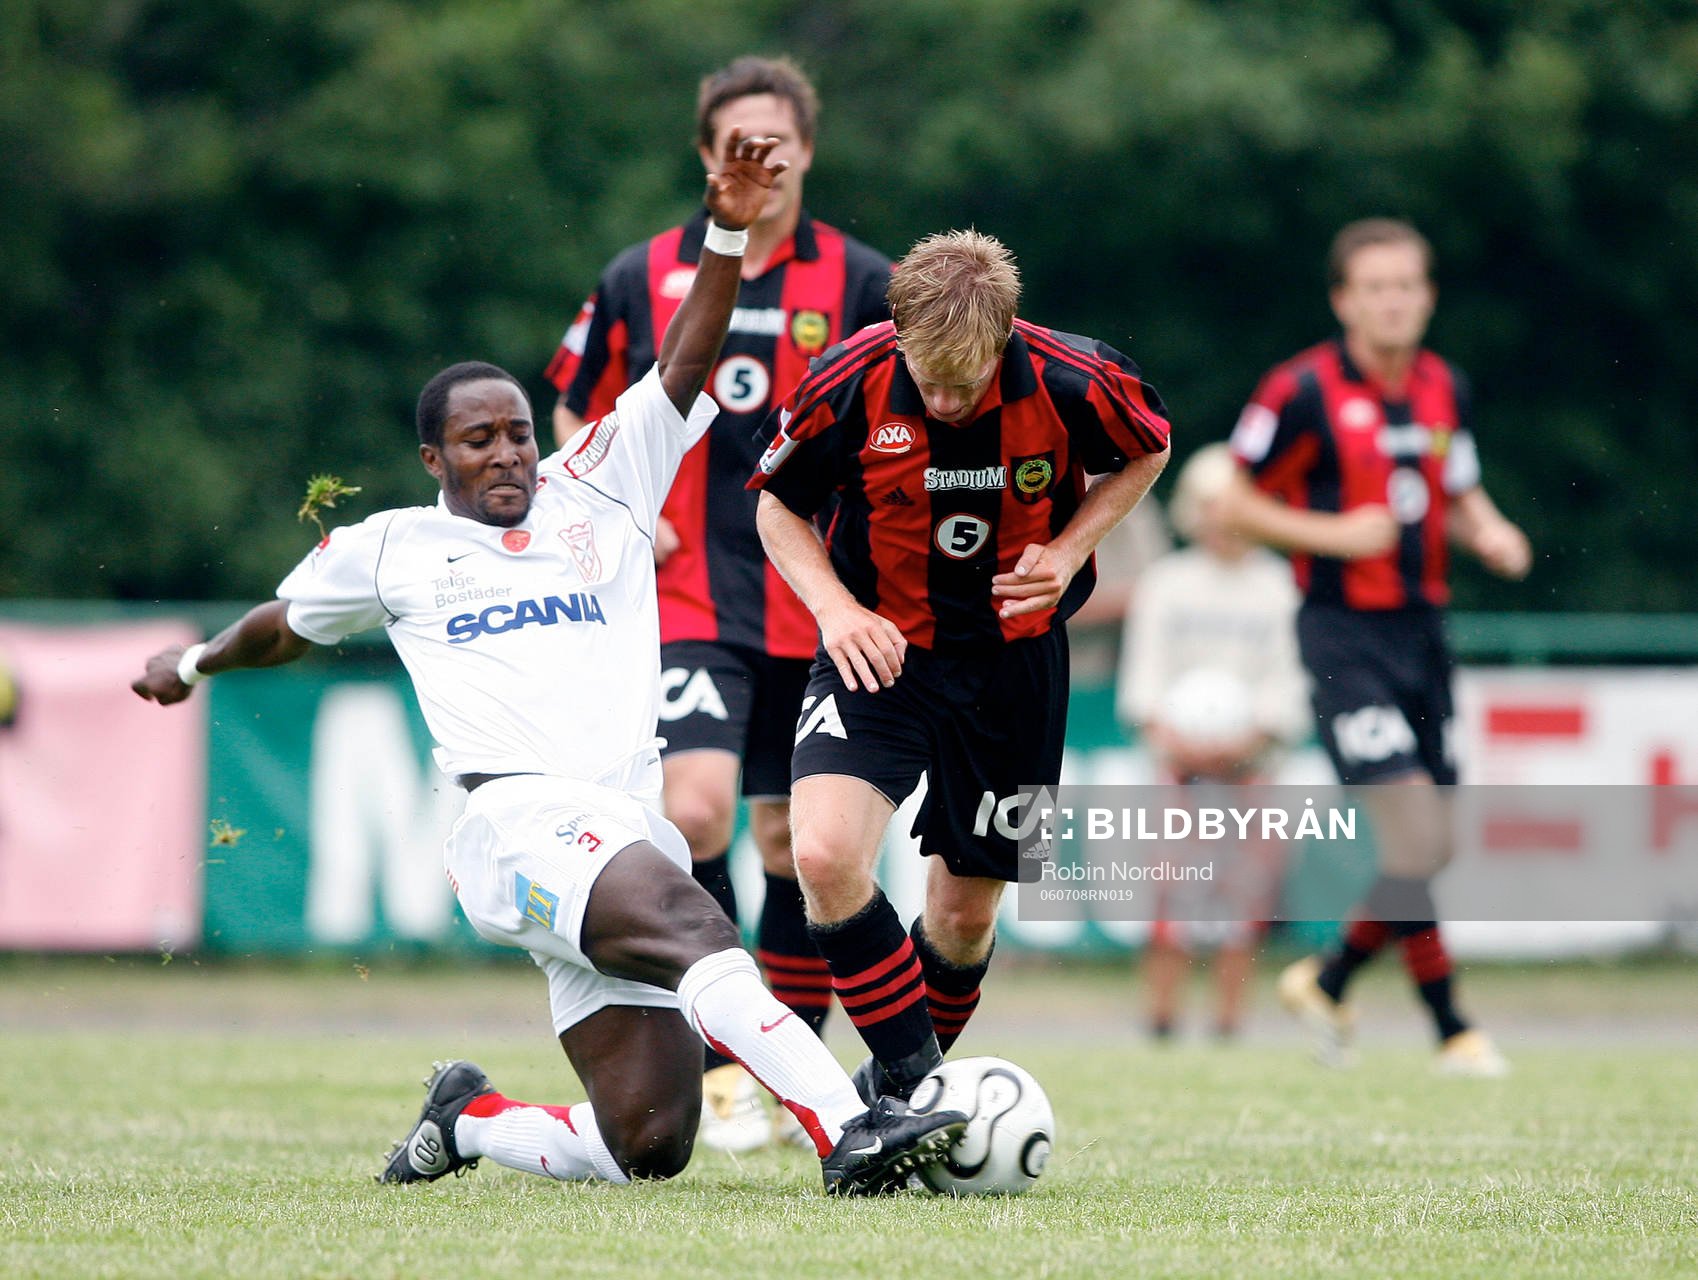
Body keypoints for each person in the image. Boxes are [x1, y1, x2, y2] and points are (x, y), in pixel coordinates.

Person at [131, 133, 964, 1196]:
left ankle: (469, 1119)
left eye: (517, 432)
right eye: (477, 441)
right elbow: (282, 623)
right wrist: (193, 662)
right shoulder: (392, 545)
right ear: (434, 459)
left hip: (624, 821)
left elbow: (687, 359)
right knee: (699, 921)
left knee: (647, 1140)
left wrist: (727, 229)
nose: (507, 453)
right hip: (519, 824)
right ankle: (852, 1126)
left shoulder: (600, 483)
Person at [544, 56, 892, 1150]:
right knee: (694, 808)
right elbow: (569, 404)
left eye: (778, 143)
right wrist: (614, 503)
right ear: (705, 154)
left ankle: (782, 1054)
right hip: (687, 591)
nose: (760, 159)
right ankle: (731, 1062)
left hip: (815, 593)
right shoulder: (640, 273)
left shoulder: (865, 280)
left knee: (794, 840)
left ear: (807, 151)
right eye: (739, 142)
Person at [750, 229, 1171, 1100]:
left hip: (1017, 668)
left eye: (965, 381)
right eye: (927, 379)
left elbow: (1148, 448)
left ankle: (893, 1099)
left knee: (965, 911)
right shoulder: (846, 380)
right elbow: (778, 511)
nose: (943, 401)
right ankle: (916, 1088)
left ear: (1007, 337)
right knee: (823, 854)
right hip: (881, 652)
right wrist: (834, 610)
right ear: (897, 334)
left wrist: (1067, 548)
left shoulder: (1077, 379)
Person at [1220, 217, 1532, 1077]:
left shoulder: (1443, 388)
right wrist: (1332, 533)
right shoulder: (1302, 390)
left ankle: (1331, 979)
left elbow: (1460, 489)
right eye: (1376, 287)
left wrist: (1493, 532)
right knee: (1417, 833)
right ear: (1344, 301)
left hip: (1423, 633)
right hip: (1341, 636)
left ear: (1427, 298)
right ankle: (1451, 1026)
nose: (1394, 301)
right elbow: (1233, 505)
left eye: (1408, 285)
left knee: (1430, 844)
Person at [1115, 444, 1308, 1040]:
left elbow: (1290, 679)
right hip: (1177, 762)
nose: (1223, 521)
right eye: (1212, 507)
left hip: (1254, 763)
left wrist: (1255, 735)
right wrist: (1168, 736)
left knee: (1244, 890)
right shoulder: (1168, 585)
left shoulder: (1281, 586)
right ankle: (1161, 1015)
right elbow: (1144, 678)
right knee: (1170, 885)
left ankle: (1229, 1020)